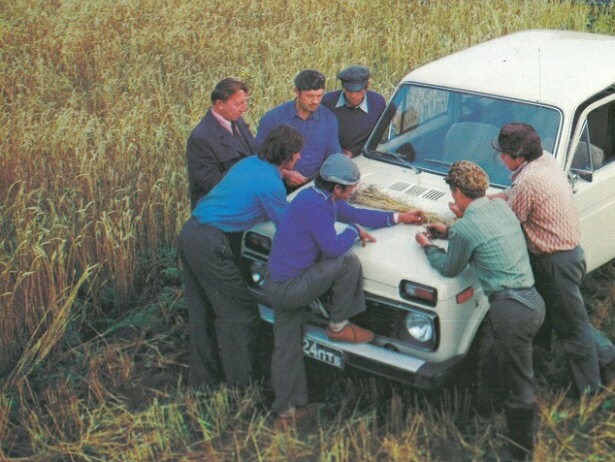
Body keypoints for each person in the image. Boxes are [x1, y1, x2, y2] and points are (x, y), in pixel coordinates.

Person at [265, 153, 424, 427]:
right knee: (347, 260)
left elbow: (355, 212)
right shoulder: (318, 208)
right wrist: (353, 231)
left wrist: (399, 216)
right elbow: (334, 247)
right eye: (351, 187)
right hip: (291, 287)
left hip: (276, 284)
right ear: (337, 188)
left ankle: (287, 412)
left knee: (286, 347)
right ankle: (338, 325)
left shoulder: (313, 197)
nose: (355, 191)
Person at [416, 161, 545, 461]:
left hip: (511, 311)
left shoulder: (465, 227)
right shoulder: (501, 209)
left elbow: (450, 268)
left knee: (519, 382)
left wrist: (427, 245)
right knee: (494, 363)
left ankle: (519, 452)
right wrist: (449, 231)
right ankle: (485, 415)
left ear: (457, 194)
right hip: (532, 302)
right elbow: (482, 234)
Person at [492, 122, 615, 397]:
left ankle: (591, 390)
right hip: (566, 256)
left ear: (519, 156)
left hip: (555, 262)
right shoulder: (545, 161)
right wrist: (491, 199)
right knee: (569, 319)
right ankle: (610, 356)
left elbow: (508, 222)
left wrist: (473, 214)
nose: (500, 158)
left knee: (573, 330)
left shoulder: (528, 181)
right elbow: (512, 198)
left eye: (504, 154)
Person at [177, 124, 304, 390]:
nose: (300, 158)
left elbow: (252, 187)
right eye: (297, 154)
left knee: (201, 313)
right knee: (241, 314)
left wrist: (283, 175)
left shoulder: (250, 164)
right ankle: (243, 388)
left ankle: (203, 384)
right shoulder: (271, 184)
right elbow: (289, 228)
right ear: (287, 156)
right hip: (211, 244)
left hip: (190, 233)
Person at [256, 69, 341, 185]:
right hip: (278, 184)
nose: (315, 101)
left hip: (316, 185)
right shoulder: (273, 119)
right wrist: (285, 174)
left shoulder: (329, 118)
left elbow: (334, 155)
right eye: (310, 96)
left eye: (319, 96)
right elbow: (258, 158)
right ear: (296, 91)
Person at [186, 77, 259, 208]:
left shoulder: (238, 121)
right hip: (217, 214)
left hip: (244, 205)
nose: (244, 109)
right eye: (238, 104)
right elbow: (211, 183)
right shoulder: (200, 138)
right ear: (220, 104)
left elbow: (254, 155)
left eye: (244, 103)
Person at [321, 65, 387, 157]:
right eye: (349, 90)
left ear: (367, 86)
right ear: (343, 87)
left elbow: (379, 135)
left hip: (365, 155)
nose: (353, 96)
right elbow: (320, 133)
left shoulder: (377, 102)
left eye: (358, 91)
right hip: (331, 155)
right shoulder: (327, 102)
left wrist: (353, 151)